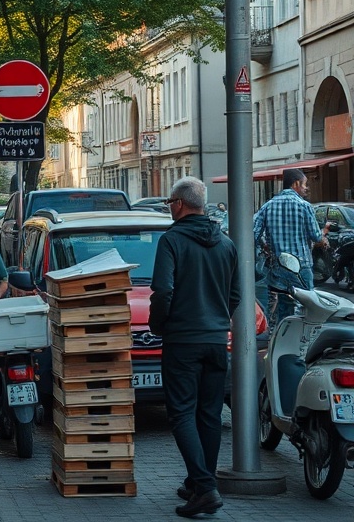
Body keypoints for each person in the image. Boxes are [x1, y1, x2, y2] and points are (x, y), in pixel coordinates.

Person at [150, 177, 239, 519]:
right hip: (217, 342)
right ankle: (198, 483)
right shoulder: (226, 244)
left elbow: (162, 290)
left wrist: (160, 325)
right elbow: (236, 295)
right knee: (210, 414)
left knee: (182, 413)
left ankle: (205, 487)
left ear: (181, 204)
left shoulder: (172, 240)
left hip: (183, 341)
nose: (169, 206)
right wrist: (217, 321)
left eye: (170, 201)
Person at [252, 168, 328, 328]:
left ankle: (281, 343)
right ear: (296, 183)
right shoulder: (304, 206)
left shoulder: (268, 206)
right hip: (302, 269)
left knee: (282, 311)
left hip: (277, 269)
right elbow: (315, 236)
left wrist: (265, 246)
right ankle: (303, 344)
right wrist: (324, 233)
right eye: (305, 184)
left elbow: (253, 234)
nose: (307, 188)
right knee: (307, 309)